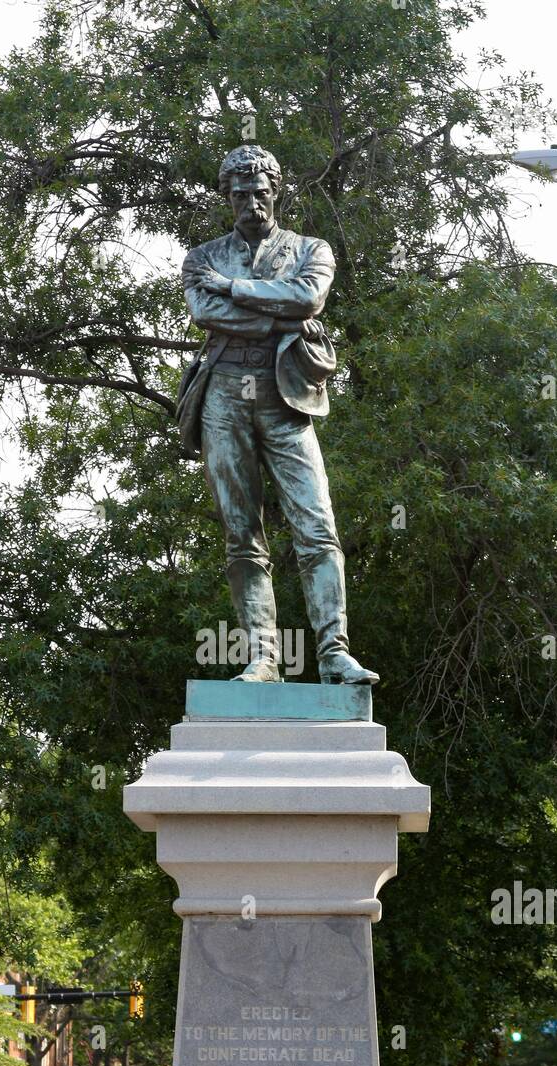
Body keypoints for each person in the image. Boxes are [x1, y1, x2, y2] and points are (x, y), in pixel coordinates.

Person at [179, 144, 378, 685]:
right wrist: (278, 316)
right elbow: (205, 311)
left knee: (317, 526)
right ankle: (264, 658)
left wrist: (239, 293)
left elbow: (309, 299)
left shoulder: (311, 249)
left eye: (260, 191)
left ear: (276, 191)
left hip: (286, 395)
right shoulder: (202, 259)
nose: (251, 202)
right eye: (240, 193)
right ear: (227, 197)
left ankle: (334, 652)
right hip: (223, 394)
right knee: (242, 534)